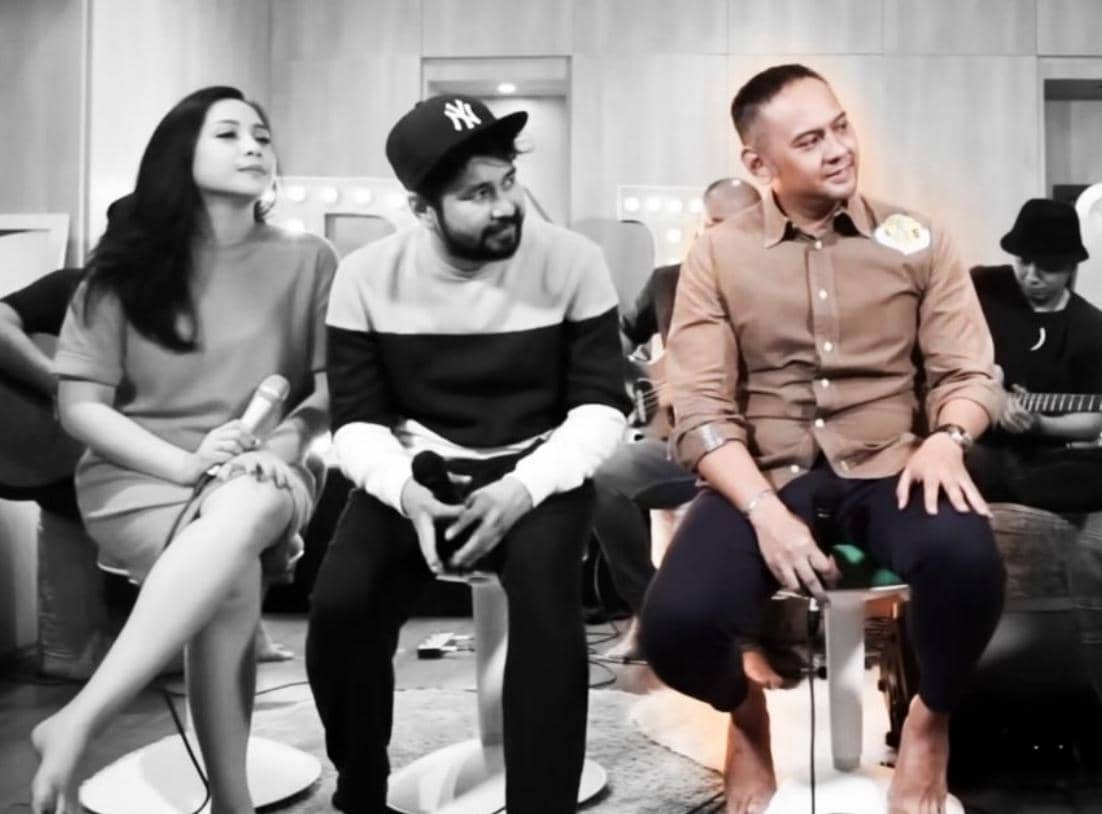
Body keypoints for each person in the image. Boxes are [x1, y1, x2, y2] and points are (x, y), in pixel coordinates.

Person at [639, 64, 1006, 814]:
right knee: (674, 628)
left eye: (841, 127)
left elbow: (968, 371)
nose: (839, 148)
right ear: (758, 163)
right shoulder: (719, 254)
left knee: (968, 562)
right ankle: (744, 713)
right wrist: (763, 512)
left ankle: (928, 720)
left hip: (893, 466)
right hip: (764, 474)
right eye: (810, 140)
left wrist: (947, 437)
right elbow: (698, 403)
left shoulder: (919, 241)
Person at [306, 94, 629, 814]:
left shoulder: (574, 261)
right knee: (341, 607)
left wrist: (522, 488)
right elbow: (356, 423)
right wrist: (404, 492)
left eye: (507, 182)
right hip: (417, 471)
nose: (505, 206)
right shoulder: (365, 276)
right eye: (477, 195)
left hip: (537, 469)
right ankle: (360, 784)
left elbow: (601, 407)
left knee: (548, 605)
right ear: (422, 211)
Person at [29, 85, 337, 814]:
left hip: (269, 464)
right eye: (228, 134)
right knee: (231, 583)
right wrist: (186, 465)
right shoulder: (121, 272)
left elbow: (336, 391)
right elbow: (81, 408)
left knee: (248, 500)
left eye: (261, 135)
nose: (253, 146)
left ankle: (81, 717)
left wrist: (278, 443)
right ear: (179, 154)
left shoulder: (310, 259)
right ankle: (231, 802)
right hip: (141, 475)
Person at [594, 177, 762, 662]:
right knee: (604, 478)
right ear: (701, 227)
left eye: (738, 227)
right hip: (679, 443)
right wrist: (634, 383)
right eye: (714, 225)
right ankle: (651, 614)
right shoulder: (668, 281)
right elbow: (615, 342)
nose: (722, 238)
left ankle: (748, 635)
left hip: (756, 447)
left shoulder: (781, 283)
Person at [966, 197, 1102, 511]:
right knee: (970, 456)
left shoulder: (1090, 326)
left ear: (1070, 266)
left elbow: (1093, 422)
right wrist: (987, 392)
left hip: (1039, 456)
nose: (1031, 275)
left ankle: (1006, 484)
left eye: (1047, 267)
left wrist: (1040, 424)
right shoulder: (983, 285)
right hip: (970, 436)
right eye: (1024, 262)